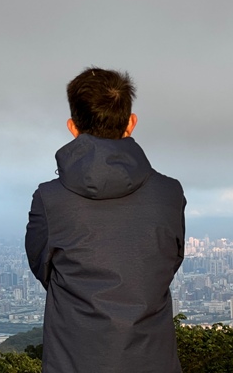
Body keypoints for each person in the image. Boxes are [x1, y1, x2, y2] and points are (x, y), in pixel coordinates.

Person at [26, 67, 185, 373]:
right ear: (131, 122)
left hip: (73, 361)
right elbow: (168, 261)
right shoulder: (169, 194)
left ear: (73, 127)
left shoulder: (50, 200)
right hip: (153, 360)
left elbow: (43, 267)